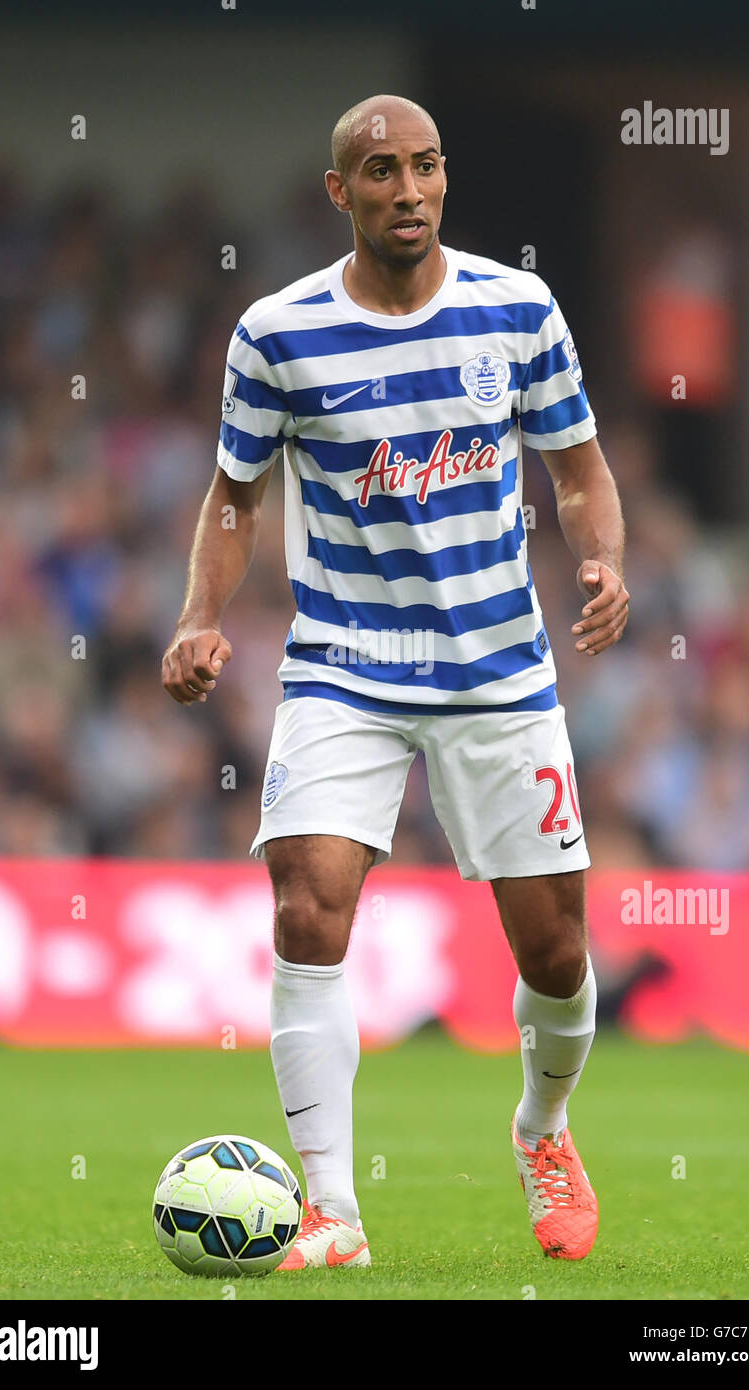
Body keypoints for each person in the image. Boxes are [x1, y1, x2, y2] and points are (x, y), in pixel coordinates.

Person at [162, 94, 629, 1268]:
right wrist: (200, 617)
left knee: (558, 952)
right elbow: (235, 495)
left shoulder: (517, 311)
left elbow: (578, 468)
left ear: (444, 179)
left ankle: (544, 1127)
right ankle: (333, 1210)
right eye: (381, 173)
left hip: (497, 664)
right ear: (342, 193)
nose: (408, 191)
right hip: (344, 662)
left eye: (424, 168)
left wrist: (606, 559)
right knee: (306, 910)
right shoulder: (278, 331)